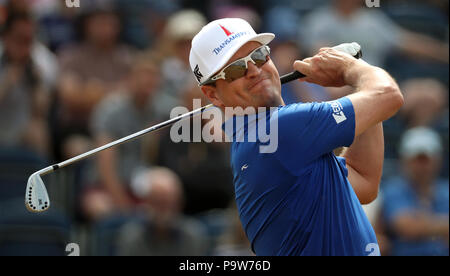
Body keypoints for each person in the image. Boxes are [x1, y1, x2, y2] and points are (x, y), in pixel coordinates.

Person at [189, 18, 404, 255]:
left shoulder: (266, 139)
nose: (254, 70)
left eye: (259, 55)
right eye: (235, 70)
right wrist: (350, 69)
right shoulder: (279, 129)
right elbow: (388, 96)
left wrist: (357, 83)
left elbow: (364, 182)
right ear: (213, 95)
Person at [81, 55, 162, 221]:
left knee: (166, 200)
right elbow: (106, 165)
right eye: (143, 76)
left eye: (152, 77)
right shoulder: (110, 110)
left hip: (143, 186)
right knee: (100, 207)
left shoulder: (160, 111)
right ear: (129, 79)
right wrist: (124, 207)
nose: (148, 82)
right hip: (105, 187)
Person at [381, 127, 449, 256]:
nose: (422, 166)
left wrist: (422, 224)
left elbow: (412, 227)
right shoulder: (393, 190)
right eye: (417, 160)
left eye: (426, 160)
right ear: (404, 160)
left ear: (438, 161)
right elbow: (407, 227)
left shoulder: (446, 190)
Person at [0, 11, 57, 156]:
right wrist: (6, 83)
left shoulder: (41, 62)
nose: (24, 47)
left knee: (38, 131)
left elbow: (41, 112)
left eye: (29, 41)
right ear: (6, 37)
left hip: (20, 131)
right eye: (19, 40)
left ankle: (39, 178)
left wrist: (37, 84)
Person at [116, 167, 208, 256]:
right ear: (147, 202)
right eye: (158, 203)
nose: (165, 211)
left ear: (180, 203)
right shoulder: (131, 236)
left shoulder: (193, 235)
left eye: (169, 203)